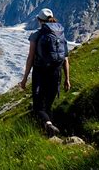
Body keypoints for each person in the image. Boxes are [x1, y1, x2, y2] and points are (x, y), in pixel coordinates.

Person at [20, 8, 71, 136]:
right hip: (56, 73)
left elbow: (30, 58)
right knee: (48, 105)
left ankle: (48, 126)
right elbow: (65, 59)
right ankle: (51, 134)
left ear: (39, 20)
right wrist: (67, 79)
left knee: (38, 107)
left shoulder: (36, 35)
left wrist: (25, 78)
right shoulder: (61, 33)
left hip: (40, 73)